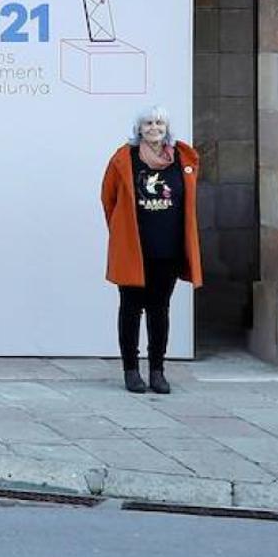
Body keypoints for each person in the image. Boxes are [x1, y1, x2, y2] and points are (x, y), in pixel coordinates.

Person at [101, 105, 202, 395]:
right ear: (139, 128)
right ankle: (131, 371)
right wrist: (121, 232)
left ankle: (157, 370)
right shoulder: (125, 158)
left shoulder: (181, 157)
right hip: (134, 249)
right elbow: (108, 198)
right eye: (148, 123)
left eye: (159, 123)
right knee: (131, 310)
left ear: (166, 127)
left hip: (167, 249)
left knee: (160, 310)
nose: (154, 128)